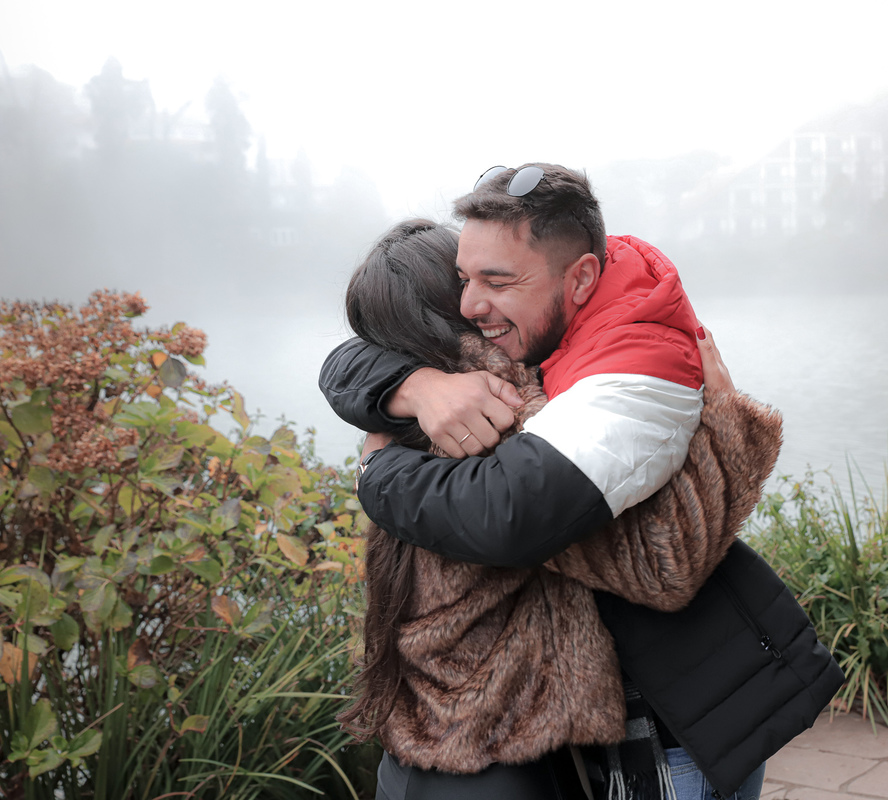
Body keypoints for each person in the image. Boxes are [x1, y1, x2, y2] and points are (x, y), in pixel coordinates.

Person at [320, 164, 845, 799]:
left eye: (495, 281)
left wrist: (383, 455)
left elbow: (655, 559)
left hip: (657, 718)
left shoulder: (483, 404)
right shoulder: (471, 408)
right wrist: (730, 439)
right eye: (463, 281)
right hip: (582, 730)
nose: (473, 302)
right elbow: (662, 561)